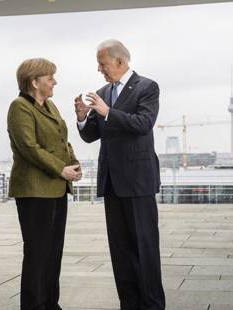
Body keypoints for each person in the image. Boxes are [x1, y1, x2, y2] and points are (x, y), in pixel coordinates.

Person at [74, 39, 166, 309]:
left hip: (138, 182)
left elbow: (144, 123)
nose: (99, 69)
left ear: (120, 61)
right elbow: (92, 134)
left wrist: (107, 111)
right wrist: (82, 117)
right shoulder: (104, 91)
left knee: (144, 247)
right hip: (112, 182)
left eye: (102, 64)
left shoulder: (147, 87)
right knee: (121, 250)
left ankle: (152, 304)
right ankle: (129, 304)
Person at [7, 58, 82, 310]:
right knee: (37, 254)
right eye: (50, 78)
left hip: (56, 189)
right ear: (34, 82)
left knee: (53, 253)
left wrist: (73, 163)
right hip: (34, 191)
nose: (54, 82)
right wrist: (61, 168)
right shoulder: (19, 107)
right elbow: (29, 147)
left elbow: (63, 140)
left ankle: (50, 304)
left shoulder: (50, 106)